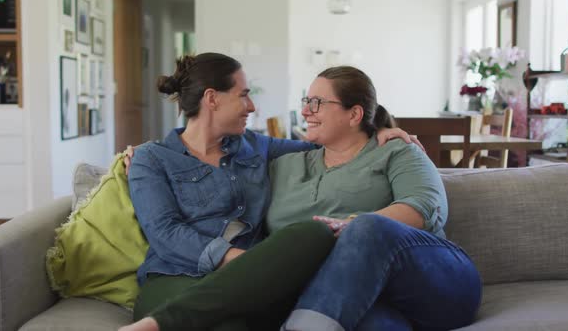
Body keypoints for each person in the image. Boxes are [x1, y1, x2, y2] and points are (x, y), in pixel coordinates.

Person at [120, 53, 419, 331]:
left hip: (256, 276)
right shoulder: (151, 158)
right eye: (244, 95)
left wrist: (379, 131)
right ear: (212, 99)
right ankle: (158, 322)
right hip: (177, 275)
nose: (252, 107)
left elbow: (331, 141)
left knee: (312, 233)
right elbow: (165, 232)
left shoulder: (258, 146)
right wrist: (237, 259)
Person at [268, 66, 481, 331]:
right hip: (348, 298)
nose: (305, 111)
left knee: (368, 226)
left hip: (433, 283)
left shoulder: (396, 150)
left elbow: (425, 205)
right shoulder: (284, 164)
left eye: (317, 103)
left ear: (354, 114)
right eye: (306, 101)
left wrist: (351, 226)